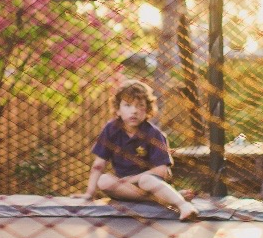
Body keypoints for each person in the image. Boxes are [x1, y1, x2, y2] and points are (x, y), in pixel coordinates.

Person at [79, 79, 199, 221]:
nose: (134, 111)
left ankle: (183, 205)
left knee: (145, 180)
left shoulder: (153, 133)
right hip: (126, 188)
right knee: (104, 180)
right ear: (118, 109)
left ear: (147, 110)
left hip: (152, 181)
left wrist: (130, 179)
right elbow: (99, 164)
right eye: (128, 105)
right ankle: (163, 198)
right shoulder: (111, 130)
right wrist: (89, 193)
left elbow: (161, 171)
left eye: (139, 106)